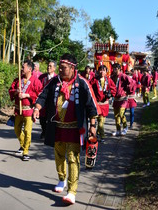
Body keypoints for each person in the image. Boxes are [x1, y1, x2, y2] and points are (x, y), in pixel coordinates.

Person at [33, 53, 98, 205]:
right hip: (58, 128)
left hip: (75, 129)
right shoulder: (55, 81)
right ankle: (61, 179)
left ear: (72, 68)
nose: (60, 71)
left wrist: (93, 126)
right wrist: (37, 108)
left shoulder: (82, 83)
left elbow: (91, 106)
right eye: (60, 68)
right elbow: (43, 95)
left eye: (63, 68)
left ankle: (72, 191)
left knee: (73, 159)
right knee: (58, 156)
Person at [9, 60, 43, 161]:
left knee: (28, 131)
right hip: (18, 110)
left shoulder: (36, 81)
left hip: (28, 110)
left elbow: (40, 94)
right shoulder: (18, 80)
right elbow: (11, 90)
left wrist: (27, 95)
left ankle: (26, 151)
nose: (21, 69)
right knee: (17, 129)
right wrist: (16, 91)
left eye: (23, 67)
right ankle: (23, 145)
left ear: (29, 69)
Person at [90, 65, 117, 142]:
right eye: (100, 70)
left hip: (104, 104)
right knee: (97, 121)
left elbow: (114, 89)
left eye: (104, 70)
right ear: (98, 71)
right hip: (96, 104)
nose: (102, 72)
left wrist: (110, 94)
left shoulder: (109, 80)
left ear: (106, 72)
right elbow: (89, 88)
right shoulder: (94, 80)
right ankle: (100, 135)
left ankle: (100, 135)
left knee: (101, 122)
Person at [111, 63, 133, 136]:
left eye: (116, 69)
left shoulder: (123, 76)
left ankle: (125, 127)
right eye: (113, 69)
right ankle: (118, 130)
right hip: (116, 98)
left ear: (119, 69)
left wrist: (128, 90)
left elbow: (131, 82)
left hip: (123, 98)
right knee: (116, 115)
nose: (114, 70)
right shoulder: (113, 76)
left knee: (121, 113)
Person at [38, 61, 57, 139]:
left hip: (52, 102)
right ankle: (44, 130)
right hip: (43, 101)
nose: (48, 67)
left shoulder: (56, 78)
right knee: (42, 118)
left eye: (50, 66)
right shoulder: (42, 77)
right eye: (48, 66)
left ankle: (49, 133)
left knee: (51, 118)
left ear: (54, 68)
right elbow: (38, 88)